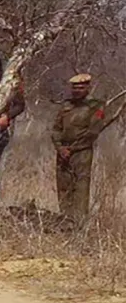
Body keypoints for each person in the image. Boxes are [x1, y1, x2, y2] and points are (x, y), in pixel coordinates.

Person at [51, 73, 122, 222]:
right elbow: (56, 129)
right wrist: (60, 148)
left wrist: (72, 149)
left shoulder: (96, 106)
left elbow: (92, 132)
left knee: (80, 190)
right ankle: (64, 223)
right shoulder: (66, 105)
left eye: (81, 87)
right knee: (64, 188)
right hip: (63, 152)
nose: (77, 90)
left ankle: (79, 225)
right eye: (75, 87)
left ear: (88, 88)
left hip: (81, 153)